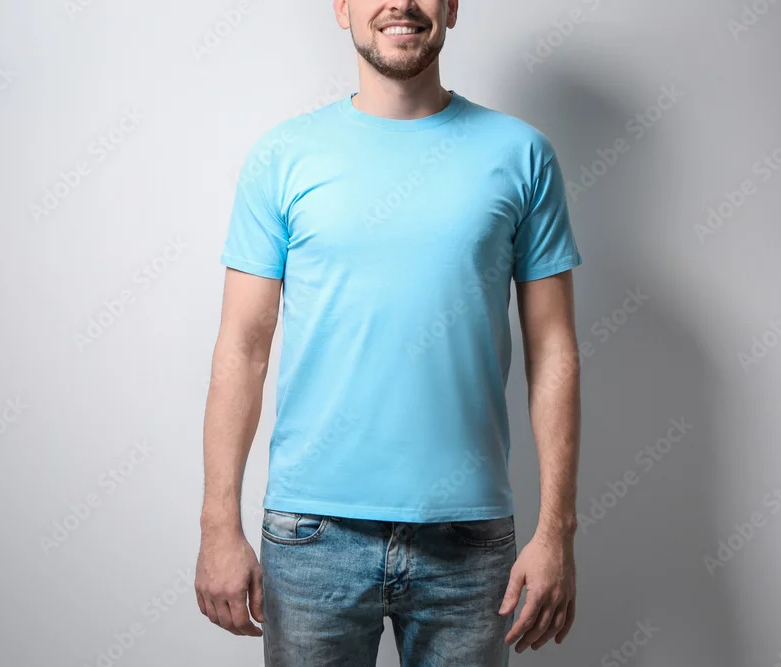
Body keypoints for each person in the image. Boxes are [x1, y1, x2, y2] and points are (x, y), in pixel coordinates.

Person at [196, 1, 583, 664]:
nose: (400, 3)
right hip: (312, 536)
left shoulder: (521, 154)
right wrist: (217, 524)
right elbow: (243, 349)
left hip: (469, 542)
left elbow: (554, 351)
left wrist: (557, 533)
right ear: (342, 6)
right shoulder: (282, 157)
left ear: (452, 7)